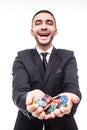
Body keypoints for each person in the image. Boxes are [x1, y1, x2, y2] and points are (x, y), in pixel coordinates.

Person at [12, 10, 82, 130]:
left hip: (63, 123)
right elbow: (18, 92)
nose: (44, 26)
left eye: (49, 23)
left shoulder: (68, 56)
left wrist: (71, 97)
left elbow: (72, 87)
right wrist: (27, 98)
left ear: (55, 31)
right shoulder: (21, 57)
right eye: (38, 23)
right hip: (27, 124)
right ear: (32, 31)